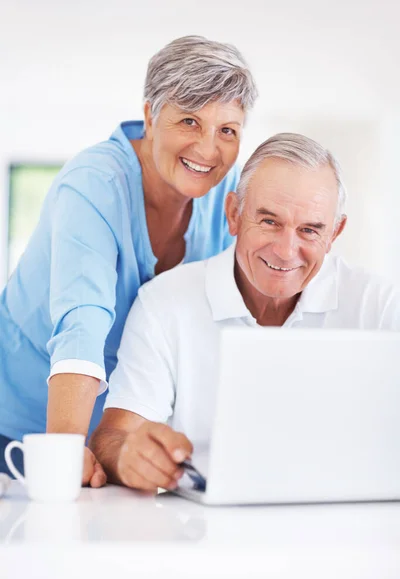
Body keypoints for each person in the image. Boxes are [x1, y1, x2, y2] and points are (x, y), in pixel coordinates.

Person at [0, 35, 257, 484]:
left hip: (110, 435)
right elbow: (83, 323)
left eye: (227, 130)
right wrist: (63, 451)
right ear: (150, 117)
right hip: (22, 424)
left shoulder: (228, 197)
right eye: (189, 121)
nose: (207, 149)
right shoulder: (94, 184)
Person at [90, 132, 400, 492]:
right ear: (234, 214)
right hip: (203, 533)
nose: (286, 251)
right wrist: (129, 454)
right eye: (269, 222)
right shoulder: (165, 303)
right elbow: (114, 435)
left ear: (335, 232)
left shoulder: (378, 305)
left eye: (310, 230)